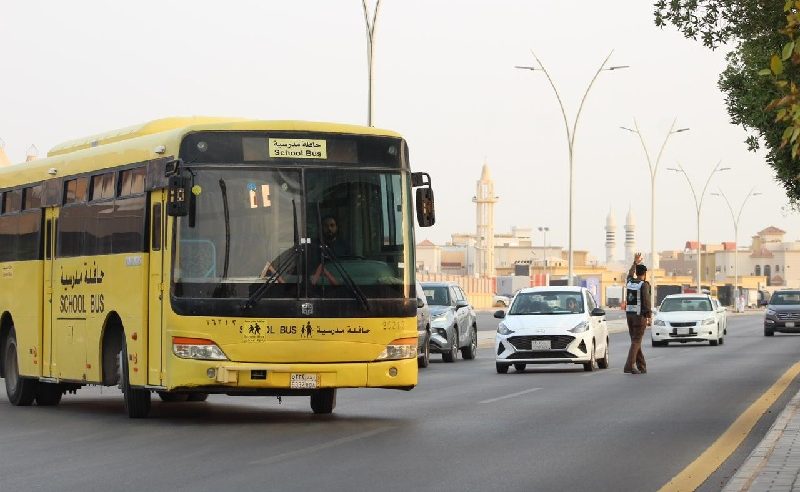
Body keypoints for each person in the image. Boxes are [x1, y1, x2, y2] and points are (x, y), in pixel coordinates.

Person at [624, 252, 652, 374]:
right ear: (645, 274)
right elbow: (646, 301)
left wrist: (635, 262)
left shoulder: (630, 282)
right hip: (639, 316)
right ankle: (629, 366)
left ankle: (642, 366)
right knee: (636, 341)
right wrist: (649, 317)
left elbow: (629, 273)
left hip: (629, 315)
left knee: (635, 341)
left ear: (637, 273)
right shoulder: (644, 285)